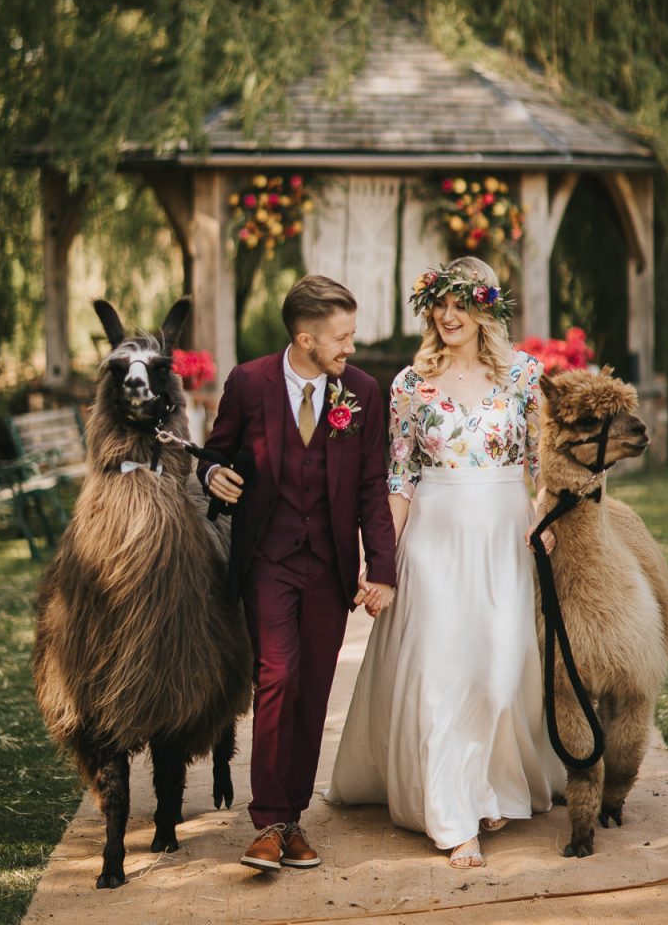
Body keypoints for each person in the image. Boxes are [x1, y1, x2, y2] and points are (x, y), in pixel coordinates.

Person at [326, 257, 565, 868]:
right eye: (439, 303)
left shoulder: (526, 377)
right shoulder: (411, 384)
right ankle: (455, 814)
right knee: (443, 672)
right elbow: (400, 477)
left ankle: (486, 779)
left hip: (504, 537)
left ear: (485, 309)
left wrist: (543, 516)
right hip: (433, 537)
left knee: (500, 671)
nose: (447, 314)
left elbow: (544, 466)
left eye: (460, 302)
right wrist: (380, 563)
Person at [198, 274, 397, 874]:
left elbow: (371, 488)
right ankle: (266, 823)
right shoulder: (248, 383)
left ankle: (292, 819)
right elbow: (216, 451)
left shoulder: (361, 391)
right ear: (306, 338)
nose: (351, 349)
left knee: (312, 690)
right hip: (268, 560)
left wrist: (381, 570)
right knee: (278, 677)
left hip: (329, 568)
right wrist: (213, 476)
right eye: (342, 338)